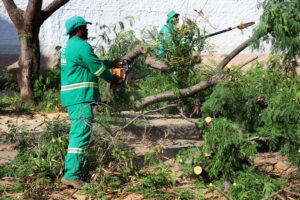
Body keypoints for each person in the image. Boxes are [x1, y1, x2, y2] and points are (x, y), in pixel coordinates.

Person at [60, 16, 120, 188]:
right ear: (79, 29)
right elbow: (97, 68)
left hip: (74, 97)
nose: (87, 30)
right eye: (85, 28)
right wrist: (113, 78)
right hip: (81, 97)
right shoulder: (82, 46)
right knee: (80, 135)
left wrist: (113, 63)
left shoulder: (71, 46)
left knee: (78, 134)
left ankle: (75, 170)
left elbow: (91, 62)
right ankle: (71, 175)